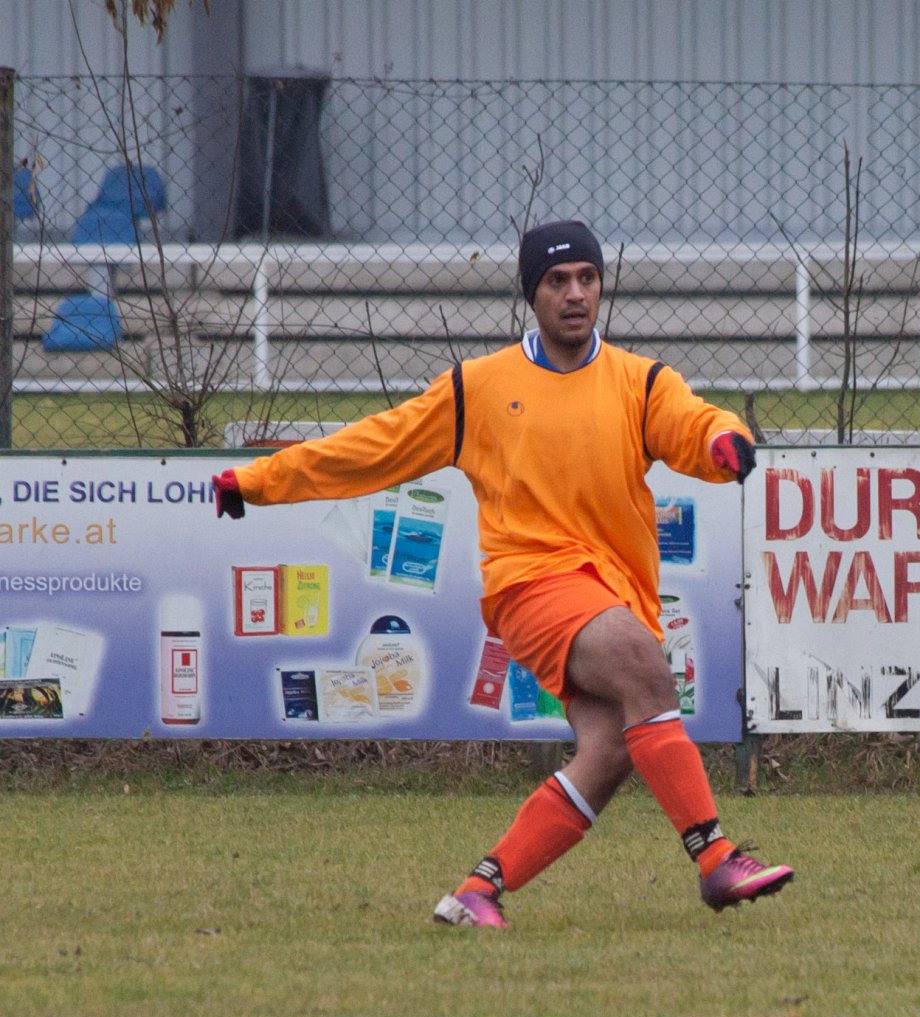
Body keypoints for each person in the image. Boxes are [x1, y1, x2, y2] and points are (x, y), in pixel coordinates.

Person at [212, 219, 793, 927]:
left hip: (616, 591)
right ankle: (715, 858)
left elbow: (693, 422)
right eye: (557, 281)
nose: (575, 294)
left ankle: (478, 891)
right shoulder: (479, 388)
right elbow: (373, 447)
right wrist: (258, 480)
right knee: (645, 668)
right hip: (531, 585)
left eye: (587, 278)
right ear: (531, 294)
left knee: (610, 750)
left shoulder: (640, 382)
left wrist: (724, 440)